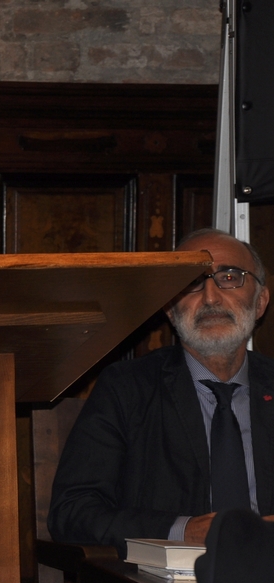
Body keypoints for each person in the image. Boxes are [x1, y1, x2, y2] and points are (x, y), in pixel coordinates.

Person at [47, 227, 274, 557]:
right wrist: (182, 530)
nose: (210, 297)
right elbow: (72, 513)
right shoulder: (128, 387)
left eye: (229, 276)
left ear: (260, 301)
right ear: (169, 307)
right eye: (191, 282)